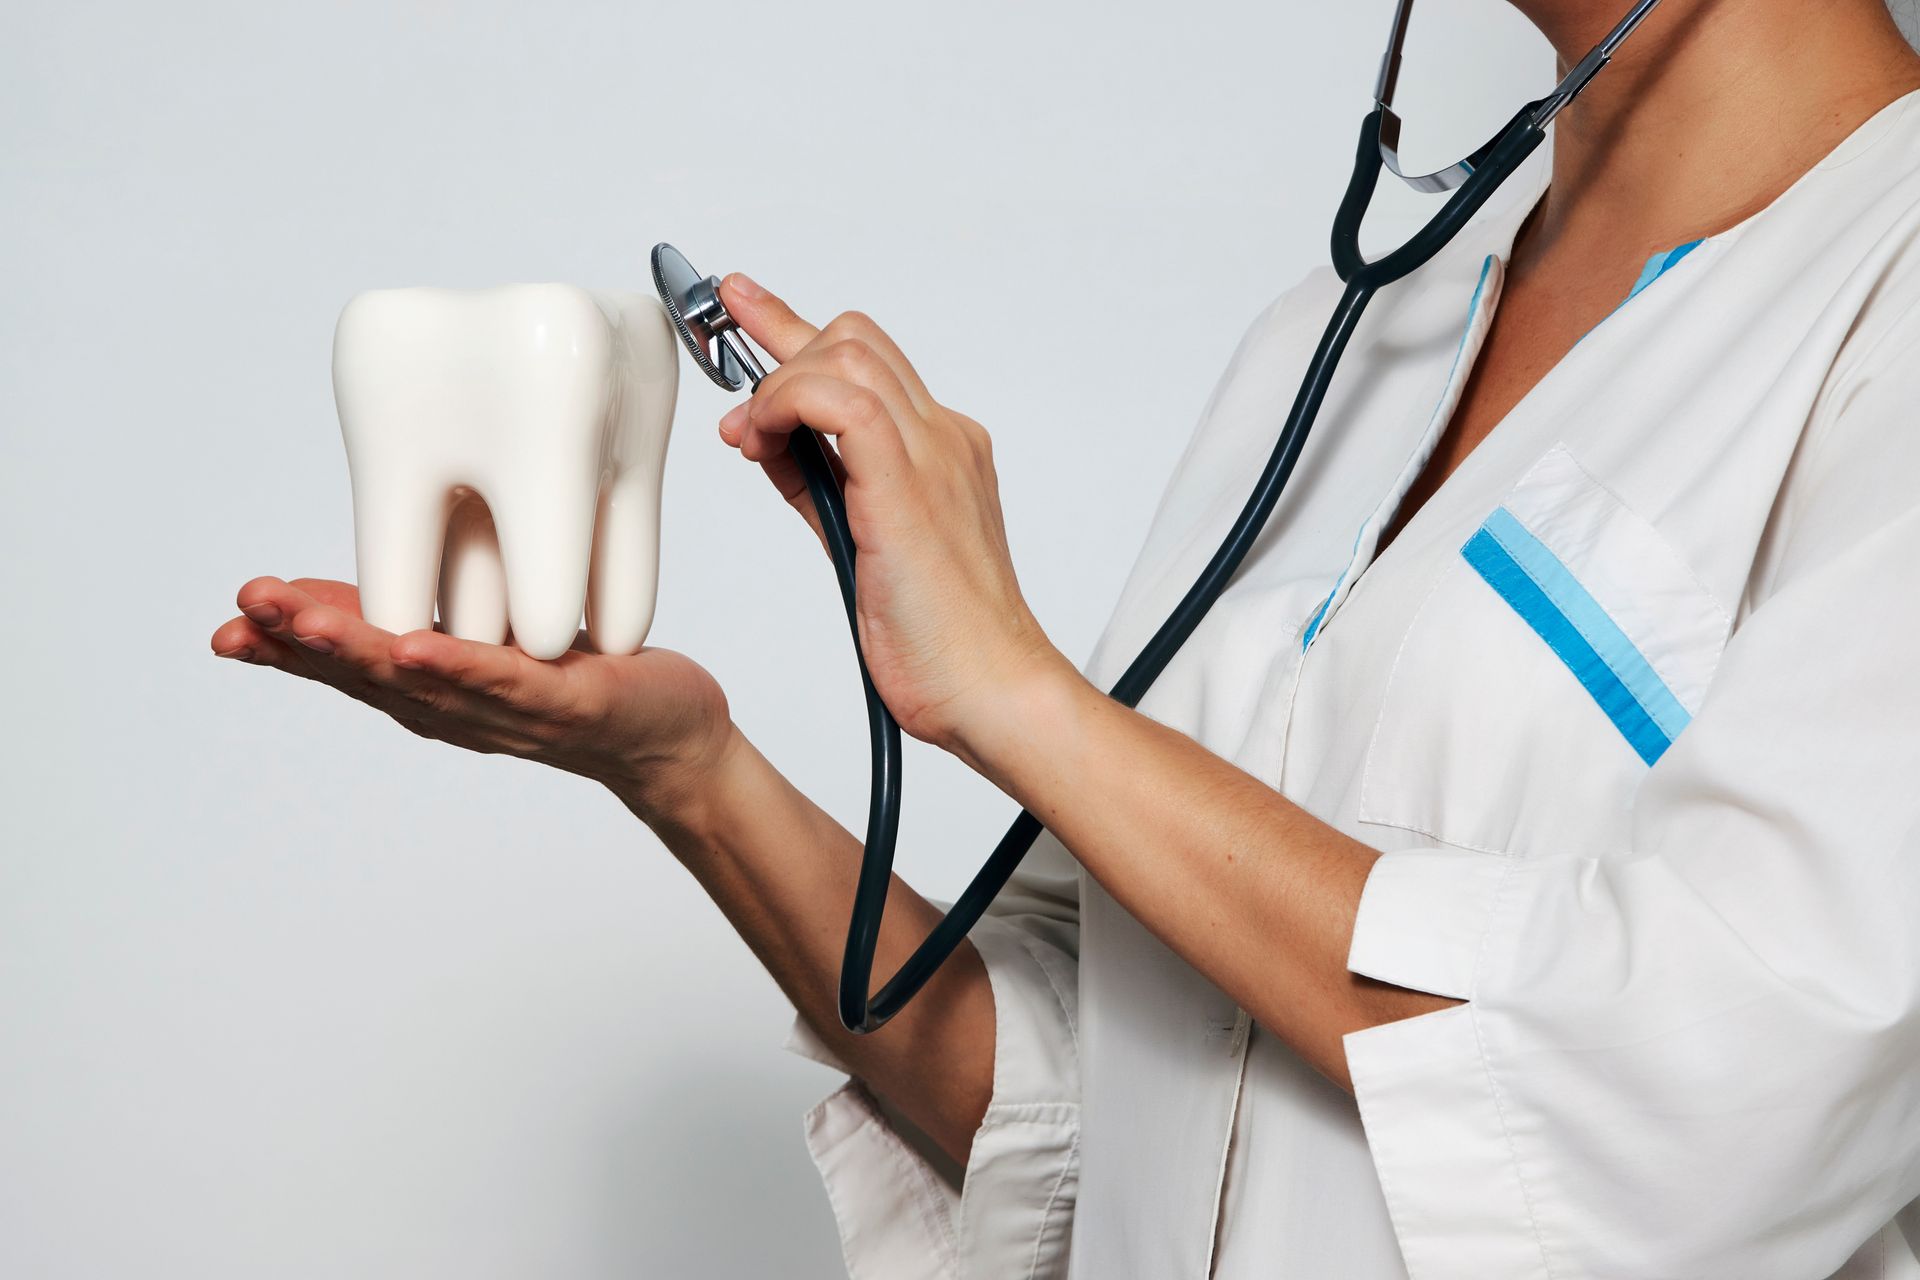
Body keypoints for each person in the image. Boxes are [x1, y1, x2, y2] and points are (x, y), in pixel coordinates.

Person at [210, 1, 1920, 1275]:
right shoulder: (1349, 338)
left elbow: (1734, 1085)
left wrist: (1023, 695)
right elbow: (1075, 1106)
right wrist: (682, 769)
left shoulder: (1883, 299)